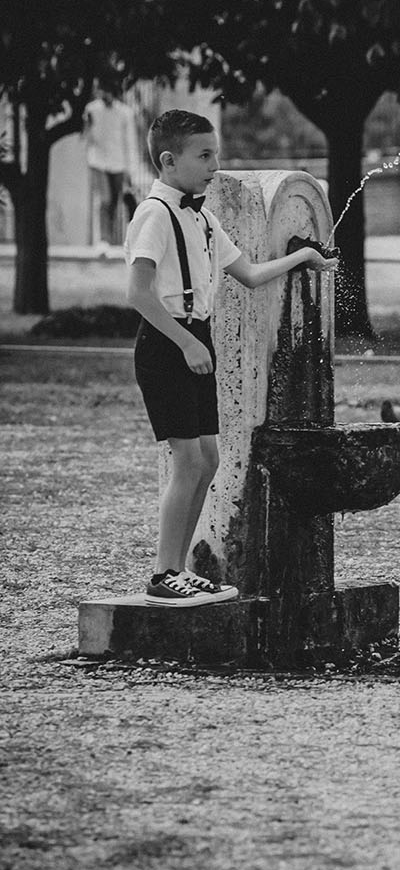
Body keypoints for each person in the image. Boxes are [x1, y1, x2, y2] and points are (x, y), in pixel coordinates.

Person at [125, 108, 337, 607]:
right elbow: (138, 293)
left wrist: (303, 257)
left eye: (215, 153)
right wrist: (186, 343)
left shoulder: (201, 216)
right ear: (169, 160)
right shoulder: (155, 214)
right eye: (205, 155)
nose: (215, 164)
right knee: (188, 458)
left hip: (195, 340)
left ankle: (177, 569)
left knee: (209, 459)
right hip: (167, 344)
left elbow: (249, 273)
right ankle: (162, 574)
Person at [82, 82, 140, 247]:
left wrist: (131, 169)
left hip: (119, 163)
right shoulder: (92, 110)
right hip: (98, 161)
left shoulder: (125, 112)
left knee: (114, 202)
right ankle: (103, 239)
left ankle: (111, 239)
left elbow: (130, 141)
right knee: (105, 200)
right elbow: (87, 137)